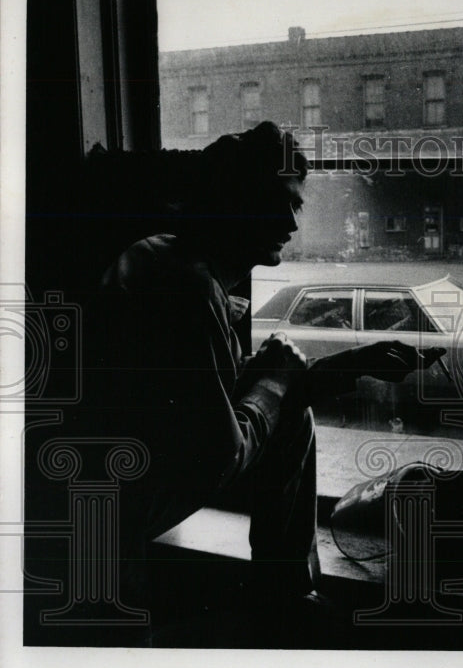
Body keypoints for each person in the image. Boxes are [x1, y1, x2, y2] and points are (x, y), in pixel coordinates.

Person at [95, 122, 436, 629]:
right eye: (277, 201)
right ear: (230, 200)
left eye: (295, 205)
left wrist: (327, 371)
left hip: (121, 486)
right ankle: (286, 596)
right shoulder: (187, 290)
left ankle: (288, 591)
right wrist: (281, 382)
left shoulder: (164, 257)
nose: (291, 223)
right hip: (108, 517)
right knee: (290, 412)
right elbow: (219, 456)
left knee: (288, 404)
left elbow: (209, 402)